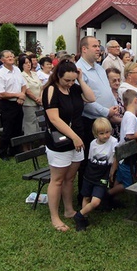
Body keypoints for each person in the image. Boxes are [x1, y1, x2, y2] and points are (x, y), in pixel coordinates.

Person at [42, 60, 95, 232]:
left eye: (72, 80)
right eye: (67, 80)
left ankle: (69, 209)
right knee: (57, 179)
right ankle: (54, 217)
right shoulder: (51, 90)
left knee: (70, 178)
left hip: (77, 140)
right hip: (61, 141)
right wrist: (74, 137)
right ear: (58, 76)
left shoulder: (74, 88)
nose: (70, 83)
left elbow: (91, 98)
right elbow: (54, 118)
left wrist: (80, 79)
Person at [76, 36, 120, 202]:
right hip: (91, 122)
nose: (98, 49)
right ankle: (84, 194)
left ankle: (101, 193)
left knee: (106, 158)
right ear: (84, 49)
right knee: (91, 160)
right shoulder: (79, 70)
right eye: (94, 46)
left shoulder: (100, 68)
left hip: (106, 118)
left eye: (99, 46)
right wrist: (106, 111)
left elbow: (106, 91)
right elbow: (85, 102)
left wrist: (114, 106)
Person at [73, 117, 119, 231]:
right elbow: (90, 159)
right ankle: (84, 218)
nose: (106, 136)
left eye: (108, 132)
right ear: (95, 134)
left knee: (96, 201)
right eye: (102, 133)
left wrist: (112, 172)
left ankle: (79, 215)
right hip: (90, 173)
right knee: (86, 196)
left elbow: (115, 158)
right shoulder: (93, 143)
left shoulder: (113, 142)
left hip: (103, 175)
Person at [0, 50, 27, 160]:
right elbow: (1, 94)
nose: (11, 58)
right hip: (7, 104)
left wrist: (21, 96)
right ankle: (3, 152)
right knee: (7, 129)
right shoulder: (0, 75)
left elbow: (24, 85)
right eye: (8, 57)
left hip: (18, 103)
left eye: (12, 56)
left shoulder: (17, 70)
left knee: (18, 128)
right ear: (2, 60)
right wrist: (18, 95)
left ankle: (15, 150)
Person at [116, 89, 137, 189]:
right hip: (126, 157)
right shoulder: (130, 117)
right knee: (127, 184)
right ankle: (108, 195)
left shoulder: (129, 115)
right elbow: (129, 135)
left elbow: (134, 132)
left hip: (126, 157)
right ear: (136, 100)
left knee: (120, 178)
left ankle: (111, 198)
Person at [20, 54, 43, 135]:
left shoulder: (34, 73)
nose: (28, 64)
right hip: (29, 104)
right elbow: (27, 90)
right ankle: (29, 143)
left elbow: (41, 86)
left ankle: (37, 141)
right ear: (21, 64)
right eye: (26, 63)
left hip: (39, 102)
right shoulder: (21, 75)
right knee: (30, 124)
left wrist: (40, 98)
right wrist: (36, 99)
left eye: (29, 62)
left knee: (38, 122)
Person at [106, 67, 125, 140]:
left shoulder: (120, 93)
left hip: (122, 131)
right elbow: (111, 118)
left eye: (119, 80)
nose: (117, 83)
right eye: (114, 80)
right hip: (111, 133)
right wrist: (126, 120)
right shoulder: (106, 96)